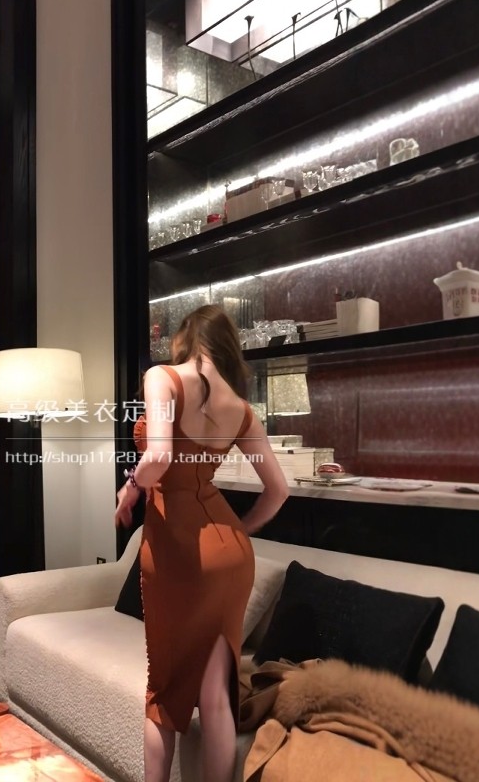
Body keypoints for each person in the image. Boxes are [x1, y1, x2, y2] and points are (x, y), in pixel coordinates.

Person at [114, 304, 289, 782]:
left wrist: (130, 487)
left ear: (185, 340)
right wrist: (237, 533)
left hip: (178, 550)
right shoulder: (241, 409)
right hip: (230, 553)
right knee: (217, 696)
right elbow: (278, 492)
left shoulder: (163, 378)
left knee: (163, 693)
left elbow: (158, 457)